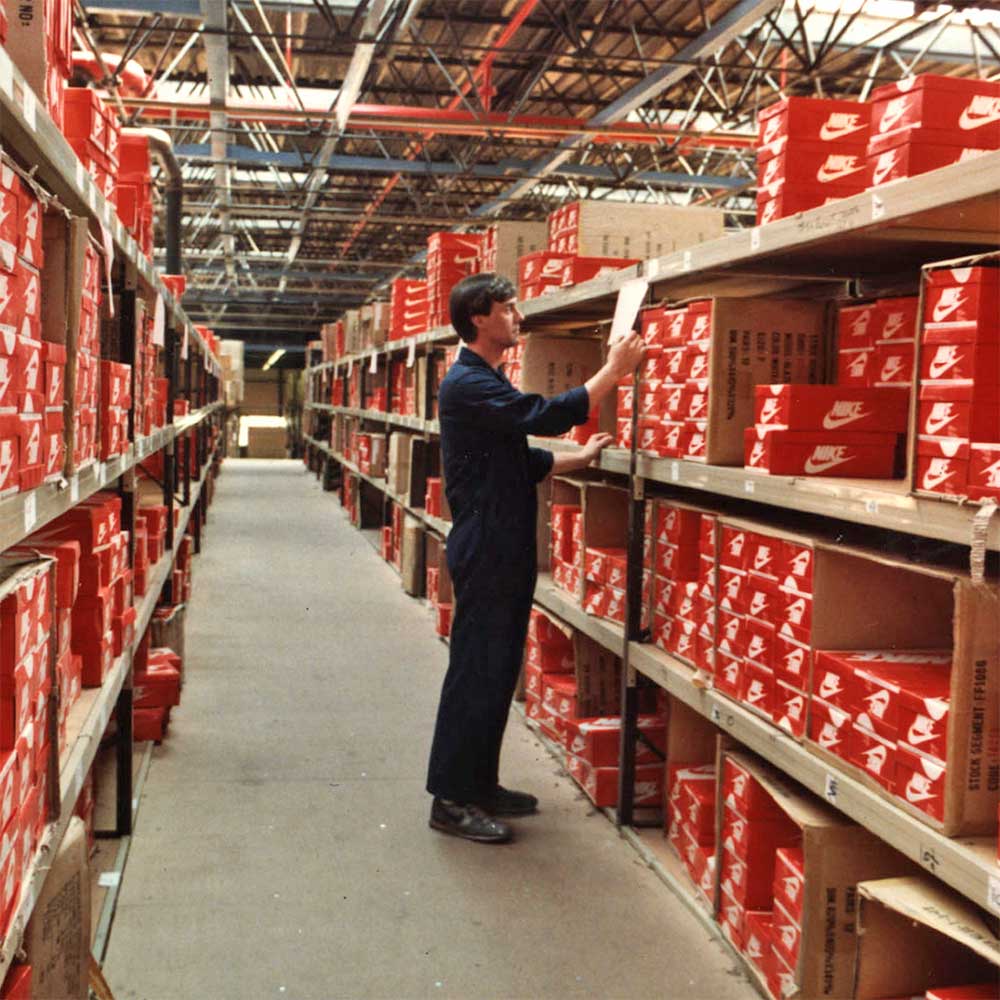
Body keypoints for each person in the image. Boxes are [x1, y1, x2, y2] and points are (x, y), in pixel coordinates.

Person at [426, 272, 646, 844]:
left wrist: (582, 456)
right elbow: (542, 415)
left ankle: (478, 783)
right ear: (479, 317)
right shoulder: (468, 382)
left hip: (506, 542)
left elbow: (523, 460)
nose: (517, 316)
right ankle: (450, 799)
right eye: (508, 307)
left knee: (498, 669)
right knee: (476, 671)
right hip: (487, 543)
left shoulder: (486, 380)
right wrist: (612, 373)